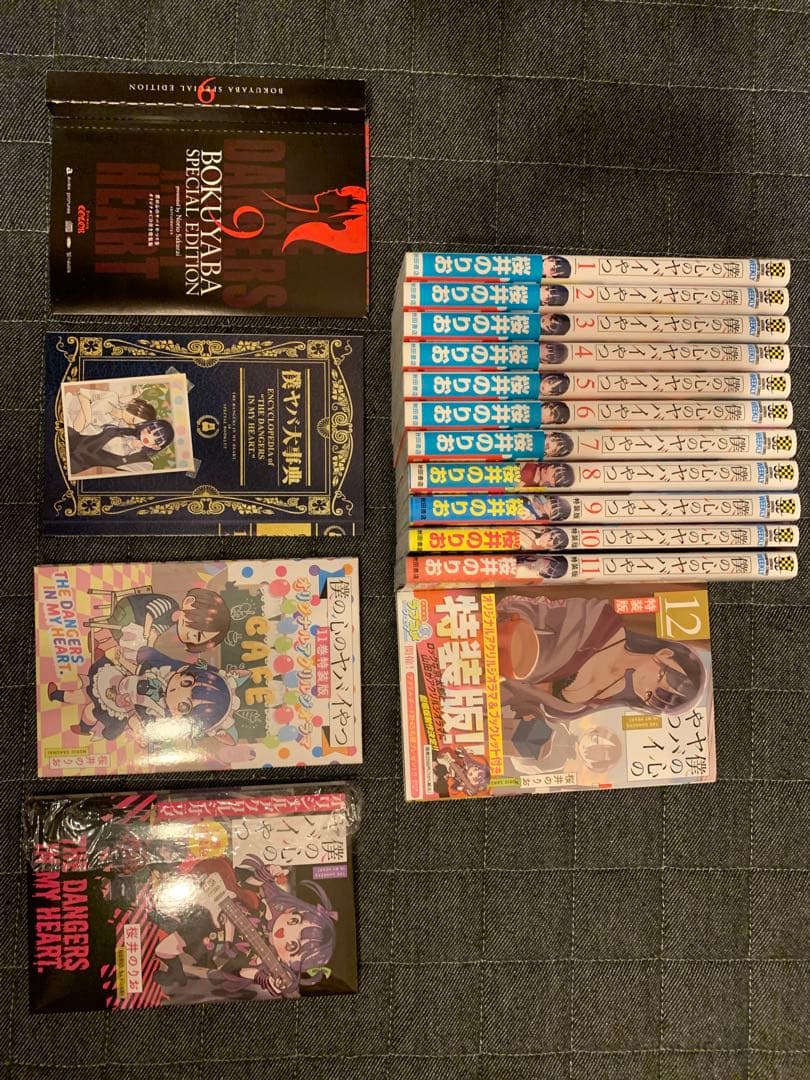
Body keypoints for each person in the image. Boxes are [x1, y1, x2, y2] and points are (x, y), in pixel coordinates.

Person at [495, 593, 706, 762]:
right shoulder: (600, 621)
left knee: (538, 744)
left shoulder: (595, 702)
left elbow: (527, 701)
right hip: (490, 641)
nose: (646, 687)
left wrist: (533, 726)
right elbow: (516, 605)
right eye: (660, 678)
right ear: (665, 654)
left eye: (652, 696)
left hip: (484, 692)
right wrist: (519, 644)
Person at [152, 855, 338, 999]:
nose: (283, 933)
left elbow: (236, 969)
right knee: (165, 937)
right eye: (293, 921)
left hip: (210, 935)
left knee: (163, 949)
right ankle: (176, 972)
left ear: (292, 964)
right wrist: (265, 874)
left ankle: (177, 975)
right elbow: (248, 886)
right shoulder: (262, 908)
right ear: (292, 910)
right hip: (207, 910)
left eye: (292, 946)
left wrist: (263, 979)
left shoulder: (261, 960)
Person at [47, 647, 235, 747]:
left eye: (184, 706)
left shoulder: (158, 714)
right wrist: (121, 661)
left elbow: (137, 726)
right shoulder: (161, 674)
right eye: (186, 683)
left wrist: (129, 708)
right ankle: (56, 695)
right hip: (119, 681)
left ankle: (83, 727)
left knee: (90, 708)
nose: (177, 692)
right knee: (86, 692)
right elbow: (137, 672)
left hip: (120, 706)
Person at [66, 418, 175, 475]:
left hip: (75, 463)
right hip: (72, 439)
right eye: (149, 430)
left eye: (157, 440)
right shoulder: (125, 428)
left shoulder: (143, 463)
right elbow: (91, 430)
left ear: (157, 447)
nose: (148, 436)